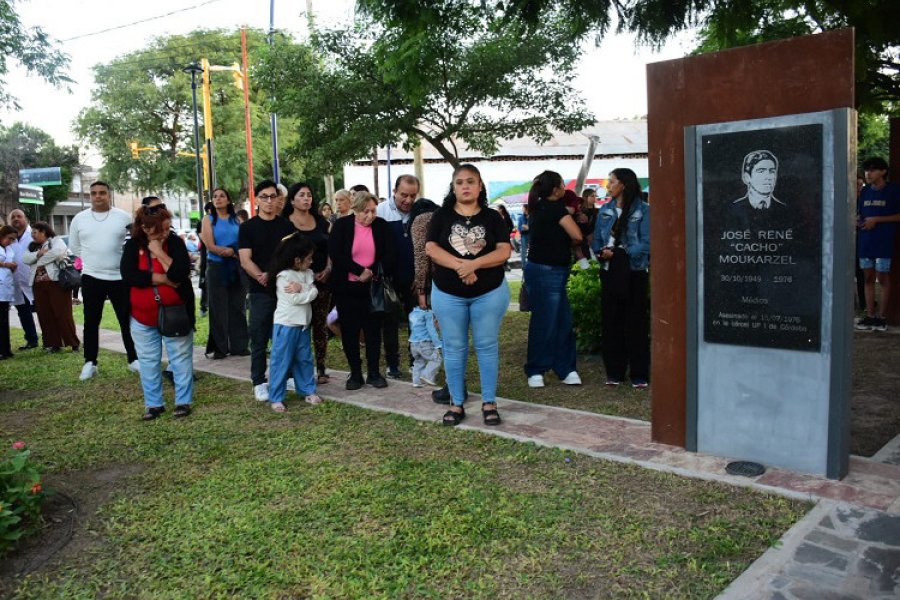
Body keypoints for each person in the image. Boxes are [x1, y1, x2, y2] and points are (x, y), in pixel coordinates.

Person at [426, 164, 511, 427]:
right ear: (453, 187)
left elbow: (504, 251)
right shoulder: (441, 216)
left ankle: (489, 402)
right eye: (460, 182)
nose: (465, 186)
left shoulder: (493, 217)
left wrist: (475, 264)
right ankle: (456, 402)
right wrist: (461, 267)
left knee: (487, 345)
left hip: (489, 292)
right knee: (453, 347)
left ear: (480, 186)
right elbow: (431, 248)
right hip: (448, 293)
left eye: (471, 181)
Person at [120, 203, 195, 420]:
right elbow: (129, 275)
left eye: (168, 227)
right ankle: (154, 404)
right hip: (142, 316)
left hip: (176, 313)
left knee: (180, 358)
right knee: (148, 360)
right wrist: (163, 279)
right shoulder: (133, 245)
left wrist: (159, 252)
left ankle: (183, 401)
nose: (165, 233)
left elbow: (179, 274)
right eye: (161, 229)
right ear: (145, 228)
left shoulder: (175, 243)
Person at [68, 181, 139, 380]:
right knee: (91, 322)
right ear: (90, 196)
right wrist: (93, 261)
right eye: (94, 193)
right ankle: (90, 362)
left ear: (109, 194)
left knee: (126, 320)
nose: (98, 196)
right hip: (91, 277)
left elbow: (133, 243)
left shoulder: (123, 217)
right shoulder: (79, 219)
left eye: (102, 193)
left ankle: (134, 359)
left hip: (119, 277)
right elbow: (75, 247)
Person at [328, 191, 395, 390]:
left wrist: (370, 271)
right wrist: (359, 271)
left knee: (373, 331)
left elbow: (389, 256)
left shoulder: (381, 226)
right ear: (355, 209)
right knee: (350, 332)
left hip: (372, 288)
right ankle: (355, 373)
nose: (370, 215)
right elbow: (336, 253)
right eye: (366, 211)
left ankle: (374, 372)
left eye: (373, 211)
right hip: (347, 288)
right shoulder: (342, 226)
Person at [523, 171, 583, 388]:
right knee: (548, 321)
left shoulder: (536, 207)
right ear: (556, 190)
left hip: (543, 269)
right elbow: (577, 235)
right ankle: (538, 369)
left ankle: (564, 368)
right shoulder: (556, 209)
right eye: (562, 185)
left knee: (559, 319)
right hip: (549, 270)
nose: (565, 188)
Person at [591, 168, 651, 388]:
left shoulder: (643, 210)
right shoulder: (605, 210)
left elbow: (647, 243)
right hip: (610, 270)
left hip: (634, 271)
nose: (608, 186)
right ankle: (614, 372)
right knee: (611, 322)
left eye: (612, 181)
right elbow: (597, 241)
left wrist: (621, 253)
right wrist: (602, 253)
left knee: (636, 323)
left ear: (623, 184)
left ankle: (639, 374)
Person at [238, 180, 295, 401]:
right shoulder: (247, 228)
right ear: (257, 199)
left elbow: (290, 257)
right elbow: (245, 259)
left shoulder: (287, 226)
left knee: (285, 336)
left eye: (273, 196)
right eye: (264, 197)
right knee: (259, 338)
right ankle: (259, 381)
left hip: (284, 290)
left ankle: (287, 375)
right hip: (259, 291)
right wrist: (262, 277)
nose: (269, 201)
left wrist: (275, 275)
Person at [283, 182, 334, 384]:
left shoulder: (321, 222)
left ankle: (321, 367)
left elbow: (331, 249)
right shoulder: (285, 223)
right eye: (302, 195)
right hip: (297, 282)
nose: (306, 198)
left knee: (320, 325)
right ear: (292, 200)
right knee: (297, 324)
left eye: (309, 195)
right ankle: (295, 368)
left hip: (322, 280)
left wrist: (328, 269)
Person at [266, 233, 321, 412]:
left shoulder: (308, 273)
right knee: (281, 361)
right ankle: (276, 397)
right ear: (297, 260)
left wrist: (304, 288)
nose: (311, 261)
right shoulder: (283, 276)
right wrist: (309, 291)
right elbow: (296, 299)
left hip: (303, 324)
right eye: (309, 258)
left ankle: (308, 390)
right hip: (286, 325)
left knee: (304, 359)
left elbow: (313, 290)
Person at [377, 174, 420, 378]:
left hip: (414, 278)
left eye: (413, 196)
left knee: (417, 322)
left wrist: (421, 276)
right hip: (389, 279)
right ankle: (392, 365)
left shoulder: (419, 212)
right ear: (394, 191)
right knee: (390, 323)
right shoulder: (381, 211)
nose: (408, 200)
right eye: (404, 195)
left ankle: (415, 362)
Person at [200, 187, 249, 359]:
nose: (218, 199)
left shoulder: (237, 220)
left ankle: (239, 345)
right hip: (217, 266)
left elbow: (243, 241)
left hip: (236, 266)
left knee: (238, 306)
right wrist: (226, 252)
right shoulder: (208, 219)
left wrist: (234, 253)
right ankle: (220, 348)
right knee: (218, 307)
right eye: (215, 196)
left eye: (222, 196)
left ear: (228, 200)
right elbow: (209, 245)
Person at [856, 157, 900, 331]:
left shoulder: (894, 190)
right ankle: (870, 316)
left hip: (884, 242)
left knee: (882, 278)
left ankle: (882, 317)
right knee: (867, 278)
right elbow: (861, 214)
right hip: (866, 241)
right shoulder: (865, 191)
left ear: (883, 171)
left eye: (873, 170)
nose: (868, 173)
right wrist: (858, 221)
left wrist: (877, 220)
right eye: (867, 170)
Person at [22, 222, 80, 353]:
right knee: (45, 315)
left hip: (56, 283)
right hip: (38, 285)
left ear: (43, 232)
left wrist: (37, 261)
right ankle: (54, 344)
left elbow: (56, 253)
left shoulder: (56, 241)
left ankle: (73, 343)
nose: (32, 235)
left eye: (35, 232)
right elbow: (25, 259)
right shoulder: (32, 246)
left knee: (63, 314)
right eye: (32, 233)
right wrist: (38, 254)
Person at [6, 209, 39, 350]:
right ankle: (31, 340)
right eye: (13, 217)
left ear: (25, 219)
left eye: (19, 216)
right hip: (16, 281)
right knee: (23, 313)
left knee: (44, 311)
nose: (16, 219)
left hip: (35, 279)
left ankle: (52, 340)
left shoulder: (34, 234)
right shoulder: (8, 238)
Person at [408, 306, 442, 387]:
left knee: (418, 362)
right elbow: (431, 330)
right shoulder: (428, 313)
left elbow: (413, 328)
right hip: (424, 343)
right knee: (436, 359)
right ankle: (426, 375)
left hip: (413, 343)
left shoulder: (412, 313)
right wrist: (438, 344)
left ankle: (416, 382)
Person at [0, 225, 17, 359]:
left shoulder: (9, 248)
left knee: (4, 321)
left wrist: (13, 267)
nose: (10, 242)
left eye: (13, 240)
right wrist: (6, 264)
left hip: (5, 288)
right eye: (9, 238)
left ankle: (6, 349)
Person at [197, 202, 213, 317]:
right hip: (206, 256)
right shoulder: (202, 223)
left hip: (216, 257)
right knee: (205, 281)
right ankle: (204, 306)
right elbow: (203, 238)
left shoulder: (219, 222)